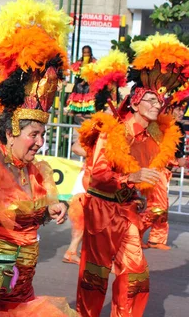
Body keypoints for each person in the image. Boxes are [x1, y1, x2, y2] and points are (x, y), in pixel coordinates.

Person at [0, 0, 74, 316]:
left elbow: (39, 211)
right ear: (12, 131)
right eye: (34, 135)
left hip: (25, 282)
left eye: (43, 135)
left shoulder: (39, 172)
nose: (40, 143)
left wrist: (56, 207)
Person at [76, 34, 189, 317]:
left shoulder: (155, 135)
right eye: (150, 98)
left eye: (159, 100)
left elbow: (156, 167)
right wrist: (132, 176)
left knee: (136, 274)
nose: (157, 104)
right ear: (136, 102)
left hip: (127, 211)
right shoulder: (114, 131)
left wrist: (174, 165)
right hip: (102, 209)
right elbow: (98, 176)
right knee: (95, 276)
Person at [62, 50, 129, 265]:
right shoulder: (95, 126)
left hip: (104, 182)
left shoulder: (118, 129)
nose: (114, 111)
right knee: (82, 219)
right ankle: (74, 252)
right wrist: (95, 154)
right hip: (88, 179)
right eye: (111, 107)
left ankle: (84, 254)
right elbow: (75, 147)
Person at [139, 97, 188, 251]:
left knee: (162, 206)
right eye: (178, 109)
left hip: (163, 172)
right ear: (169, 109)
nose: (181, 112)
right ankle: (134, 233)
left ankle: (156, 238)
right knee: (157, 207)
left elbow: (179, 160)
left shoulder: (175, 129)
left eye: (183, 109)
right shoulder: (157, 126)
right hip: (155, 171)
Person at [67, 45, 97, 115]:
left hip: (89, 82)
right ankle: (75, 109)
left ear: (90, 53)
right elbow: (75, 71)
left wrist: (86, 79)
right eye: (84, 53)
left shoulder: (94, 62)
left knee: (89, 88)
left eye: (88, 53)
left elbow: (94, 73)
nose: (86, 54)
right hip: (80, 82)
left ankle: (88, 109)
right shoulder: (80, 62)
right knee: (77, 86)